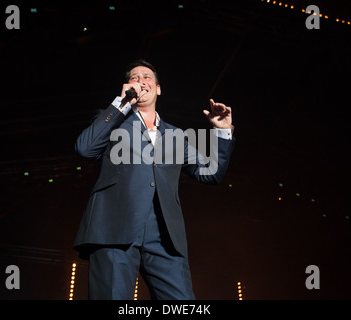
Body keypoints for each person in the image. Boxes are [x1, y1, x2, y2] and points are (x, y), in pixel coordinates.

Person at [73, 59, 235, 300]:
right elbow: (85, 150)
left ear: (158, 88)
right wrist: (120, 105)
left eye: (146, 77)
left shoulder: (176, 135)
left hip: (164, 237)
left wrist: (222, 131)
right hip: (113, 229)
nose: (140, 81)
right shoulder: (112, 120)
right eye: (134, 78)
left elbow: (211, 173)